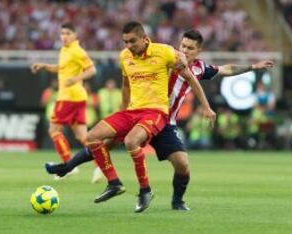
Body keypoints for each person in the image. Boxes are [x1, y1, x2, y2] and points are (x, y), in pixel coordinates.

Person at [46, 28, 274, 211]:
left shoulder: (197, 68)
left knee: (183, 165)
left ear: (198, 50)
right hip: (141, 114)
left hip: (166, 122)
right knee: (105, 142)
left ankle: (177, 201)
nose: (185, 49)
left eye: (190, 48)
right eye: (183, 45)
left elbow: (226, 69)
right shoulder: (165, 56)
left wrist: (253, 67)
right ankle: (66, 168)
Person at [85, 21, 216, 213]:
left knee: (179, 163)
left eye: (132, 42)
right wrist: (124, 110)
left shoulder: (169, 55)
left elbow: (207, 74)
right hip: (134, 112)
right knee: (92, 138)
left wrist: (206, 107)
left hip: (160, 116)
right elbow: (126, 85)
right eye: (125, 42)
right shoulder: (126, 57)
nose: (128, 46)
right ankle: (113, 182)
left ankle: (168, 198)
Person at [31, 22, 97, 176]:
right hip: (78, 97)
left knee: (54, 130)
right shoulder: (65, 50)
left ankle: (69, 165)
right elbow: (60, 68)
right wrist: (44, 65)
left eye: (68, 33)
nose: (64, 36)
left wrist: (75, 79)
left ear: (75, 35)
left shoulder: (77, 51)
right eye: (62, 33)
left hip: (68, 97)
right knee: (83, 136)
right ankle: (101, 165)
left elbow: (92, 70)